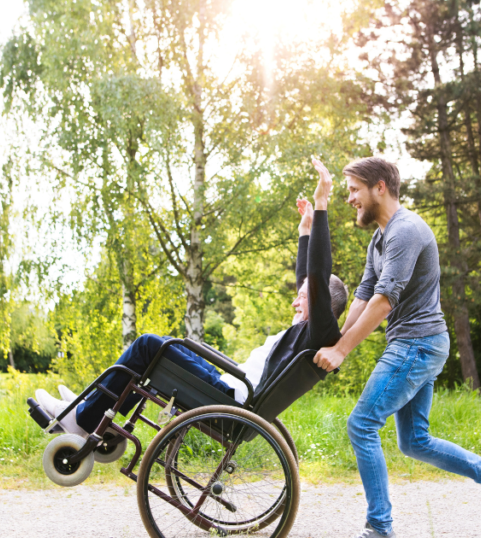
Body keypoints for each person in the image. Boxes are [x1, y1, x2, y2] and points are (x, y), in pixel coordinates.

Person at [35, 156, 347, 438]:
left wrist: (322, 204)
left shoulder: (318, 331)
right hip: (228, 387)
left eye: (304, 298)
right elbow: (309, 280)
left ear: (322, 306)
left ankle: (81, 420)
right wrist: (304, 232)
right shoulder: (304, 331)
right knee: (157, 352)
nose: (296, 299)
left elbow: (317, 276)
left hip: (229, 397)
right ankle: (92, 411)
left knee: (148, 345)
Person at [312, 157, 481, 538]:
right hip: (418, 343)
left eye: (353, 190)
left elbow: (384, 300)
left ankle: (380, 528)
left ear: (379, 187)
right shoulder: (380, 238)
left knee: (361, 425)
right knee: (415, 441)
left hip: (417, 343)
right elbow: (363, 295)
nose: (350, 199)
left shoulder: (406, 231)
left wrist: (343, 351)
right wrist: (333, 340)